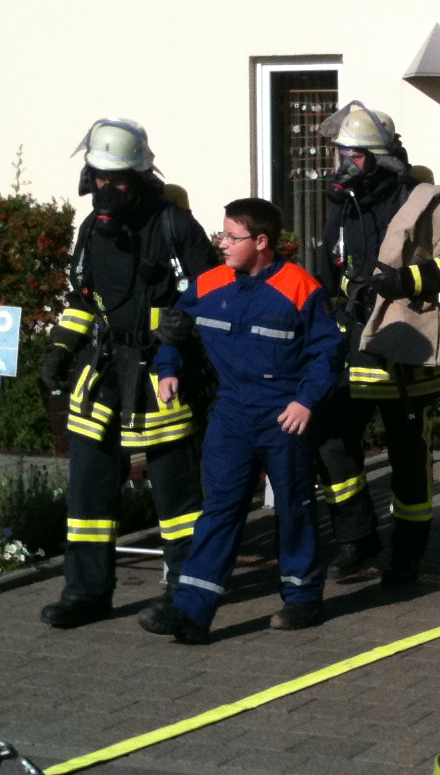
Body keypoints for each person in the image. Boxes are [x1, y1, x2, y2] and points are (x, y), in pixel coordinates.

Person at [137, 198, 344, 644]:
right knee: (220, 510)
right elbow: (175, 329)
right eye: (223, 234)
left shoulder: (300, 287)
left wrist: (306, 401)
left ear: (262, 242)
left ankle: (303, 599)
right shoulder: (209, 283)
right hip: (231, 413)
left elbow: (328, 352)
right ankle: (191, 611)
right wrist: (168, 368)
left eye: (233, 237)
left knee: (293, 507)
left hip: (283, 415)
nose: (223, 244)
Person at [37, 119, 218, 628]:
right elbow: (82, 301)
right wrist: (58, 351)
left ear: (138, 177)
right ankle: (86, 593)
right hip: (102, 377)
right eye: (99, 176)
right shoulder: (91, 230)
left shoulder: (174, 226)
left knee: (178, 499)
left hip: (164, 376)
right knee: (88, 495)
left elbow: (212, 291)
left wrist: (181, 328)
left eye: (117, 179)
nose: (107, 187)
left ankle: (185, 595)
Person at [312, 100, 440, 587]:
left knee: (410, 458)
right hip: (354, 346)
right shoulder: (343, 204)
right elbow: (327, 272)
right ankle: (357, 536)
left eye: (353, 154)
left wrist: (407, 280)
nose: (343, 163)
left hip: (406, 352)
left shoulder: (423, 203)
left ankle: (407, 553)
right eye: (339, 153)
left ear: (380, 158)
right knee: (330, 440)